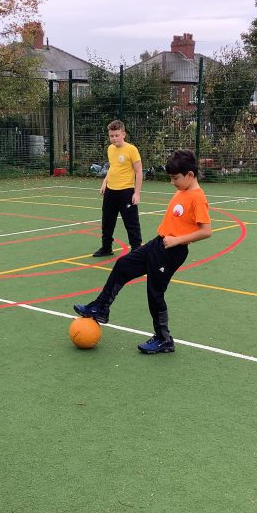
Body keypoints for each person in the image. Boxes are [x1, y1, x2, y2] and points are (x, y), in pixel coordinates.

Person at [74, 149, 212, 354]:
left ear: (190, 175)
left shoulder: (197, 198)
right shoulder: (182, 191)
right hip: (158, 243)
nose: (172, 182)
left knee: (155, 293)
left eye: (175, 178)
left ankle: (164, 339)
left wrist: (177, 240)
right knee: (123, 264)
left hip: (173, 251)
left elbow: (206, 231)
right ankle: (101, 307)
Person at [92, 120, 143, 257]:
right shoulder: (110, 149)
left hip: (126, 192)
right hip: (110, 191)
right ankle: (106, 248)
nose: (114, 138)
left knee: (131, 223)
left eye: (116, 135)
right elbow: (112, 168)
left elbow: (139, 171)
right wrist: (104, 183)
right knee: (107, 221)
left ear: (123, 134)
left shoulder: (132, 150)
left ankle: (136, 250)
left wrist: (137, 193)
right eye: (111, 136)